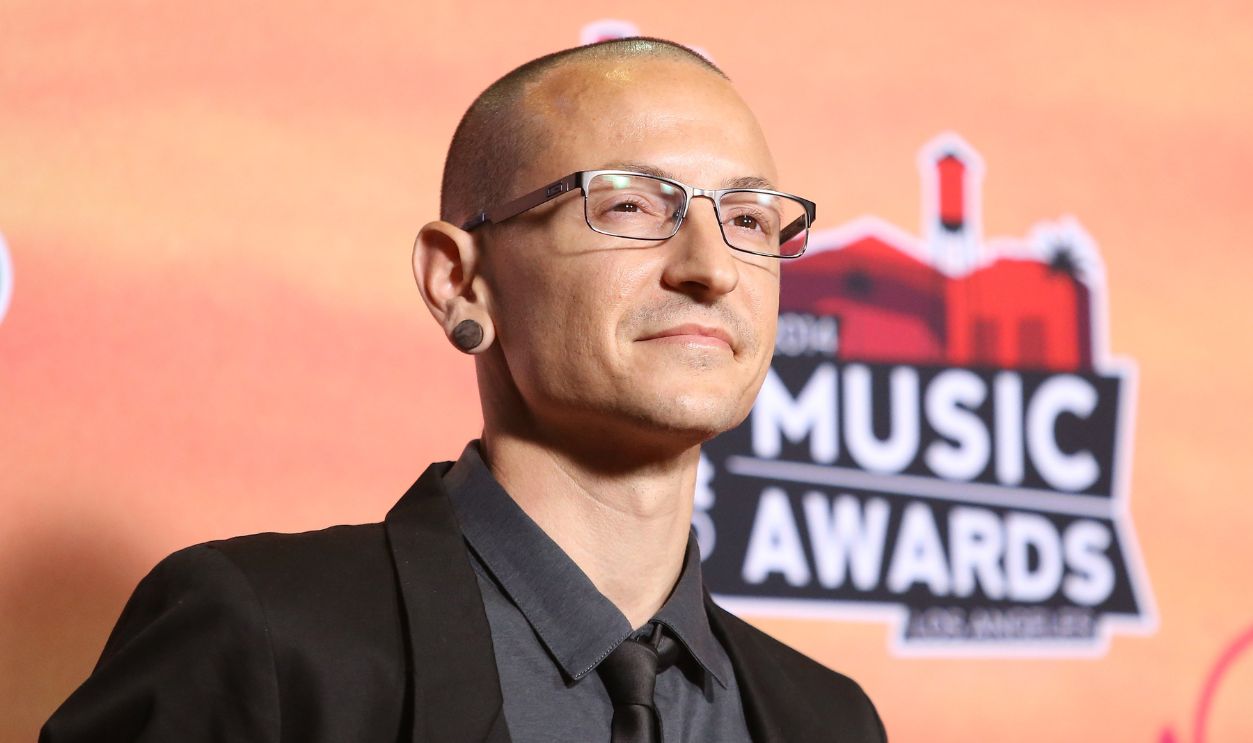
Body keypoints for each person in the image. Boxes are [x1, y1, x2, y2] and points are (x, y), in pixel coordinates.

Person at [41, 37, 886, 742]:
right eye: (629, 205)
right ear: (458, 280)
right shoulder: (263, 638)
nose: (711, 268)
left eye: (747, 220)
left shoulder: (830, 719)